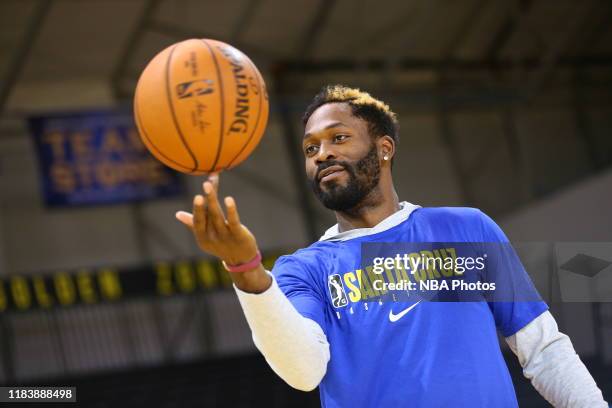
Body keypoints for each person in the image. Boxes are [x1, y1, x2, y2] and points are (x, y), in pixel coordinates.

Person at [175, 85, 607, 407]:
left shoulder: (465, 229)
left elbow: (543, 349)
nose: (321, 153)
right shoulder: (304, 270)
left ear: (383, 149)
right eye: (311, 148)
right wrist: (245, 268)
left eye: (338, 138)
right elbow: (304, 372)